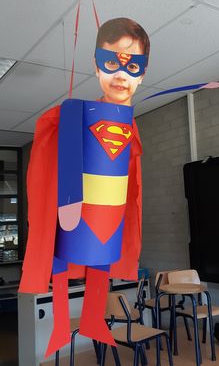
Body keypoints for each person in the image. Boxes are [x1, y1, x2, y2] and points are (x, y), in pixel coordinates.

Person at [19, 17, 150, 356]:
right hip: (74, 218)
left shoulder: (128, 124)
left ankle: (92, 322)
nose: (122, 74)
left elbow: (130, 178)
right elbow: (57, 156)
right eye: (111, 63)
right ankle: (62, 327)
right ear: (96, 66)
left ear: (143, 74)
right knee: (69, 254)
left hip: (109, 220)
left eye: (133, 66)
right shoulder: (73, 114)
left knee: (101, 259)